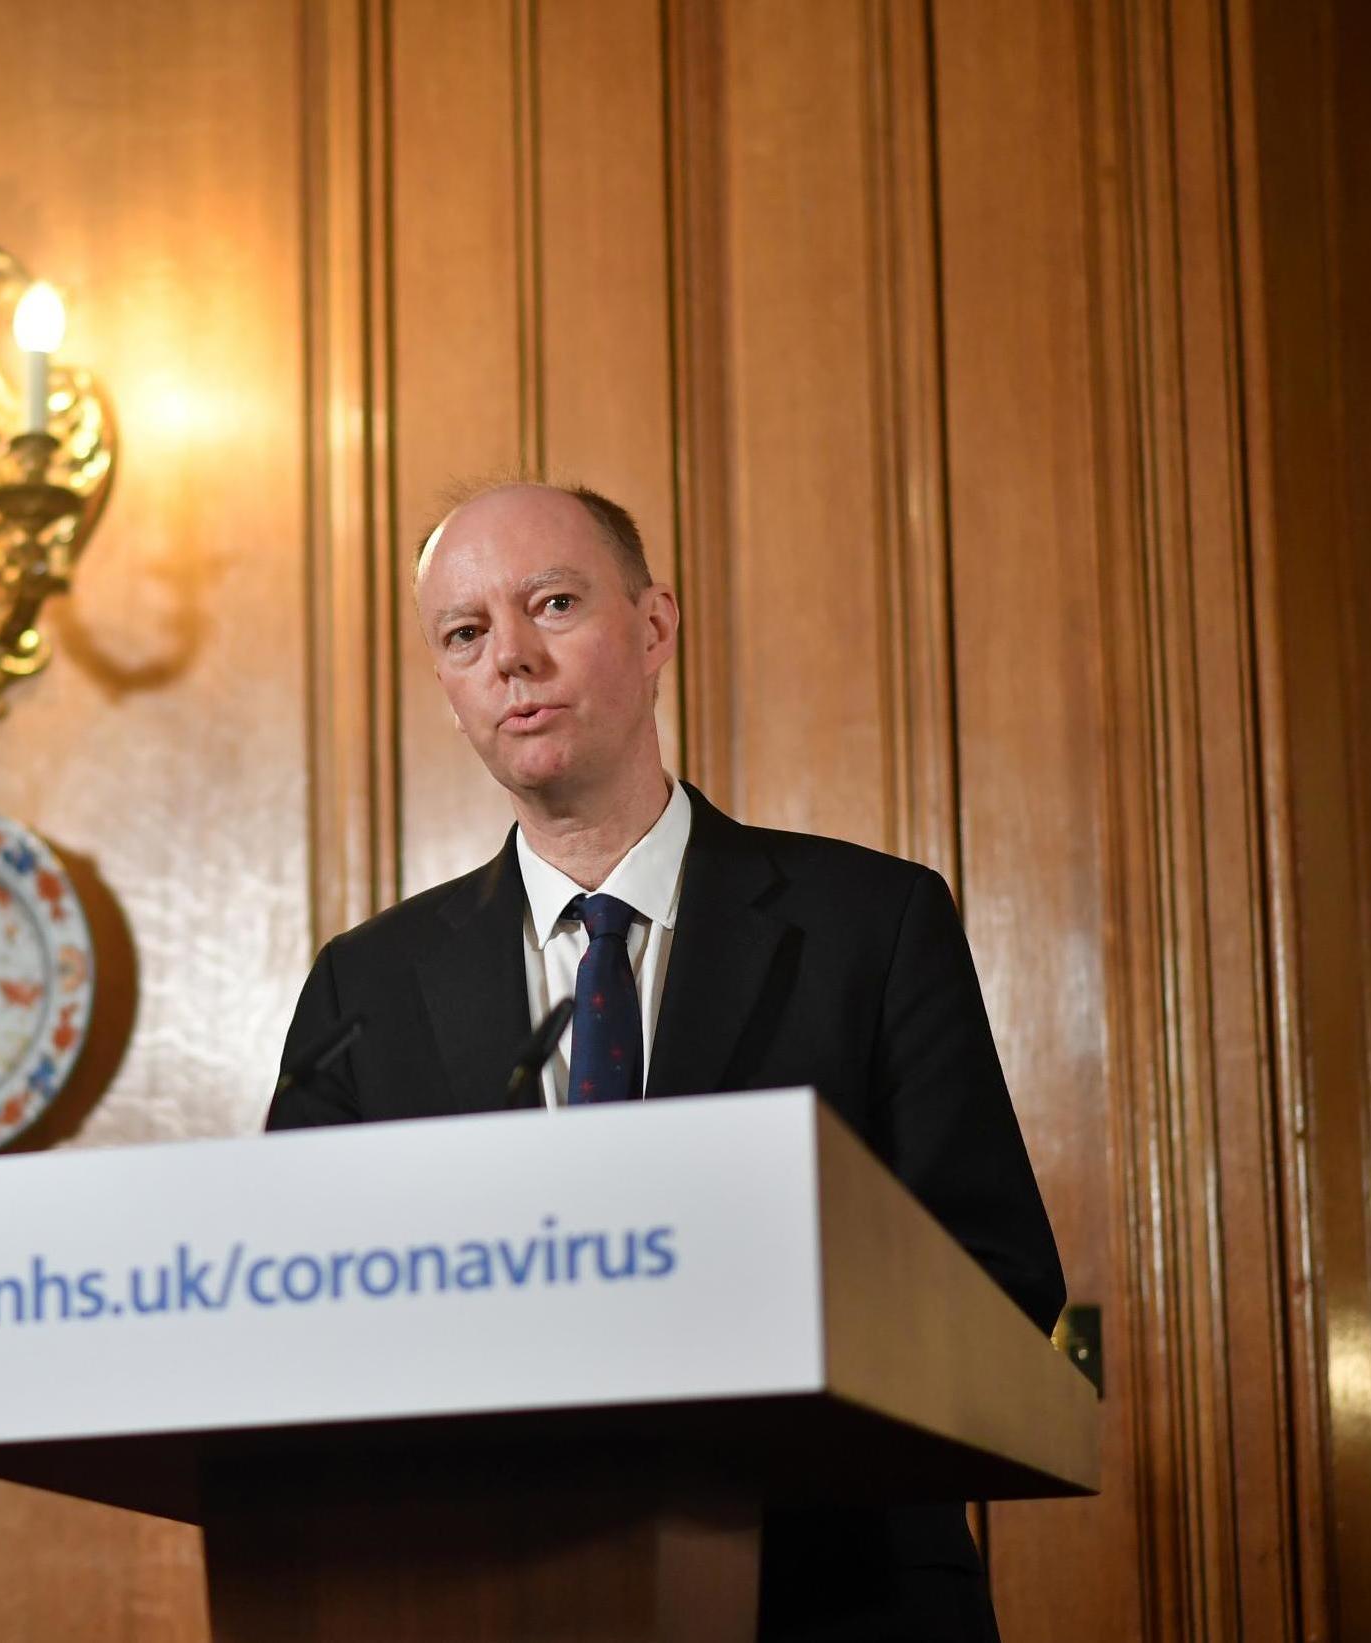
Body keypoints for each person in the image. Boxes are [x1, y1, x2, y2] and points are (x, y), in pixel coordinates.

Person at [266, 479, 1065, 1642]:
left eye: (553, 603)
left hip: (834, 1593)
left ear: (653, 631)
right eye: (466, 634)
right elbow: (287, 1306)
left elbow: (994, 1276)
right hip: (485, 1598)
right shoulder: (366, 984)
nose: (513, 660)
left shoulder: (872, 923)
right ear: (446, 688)